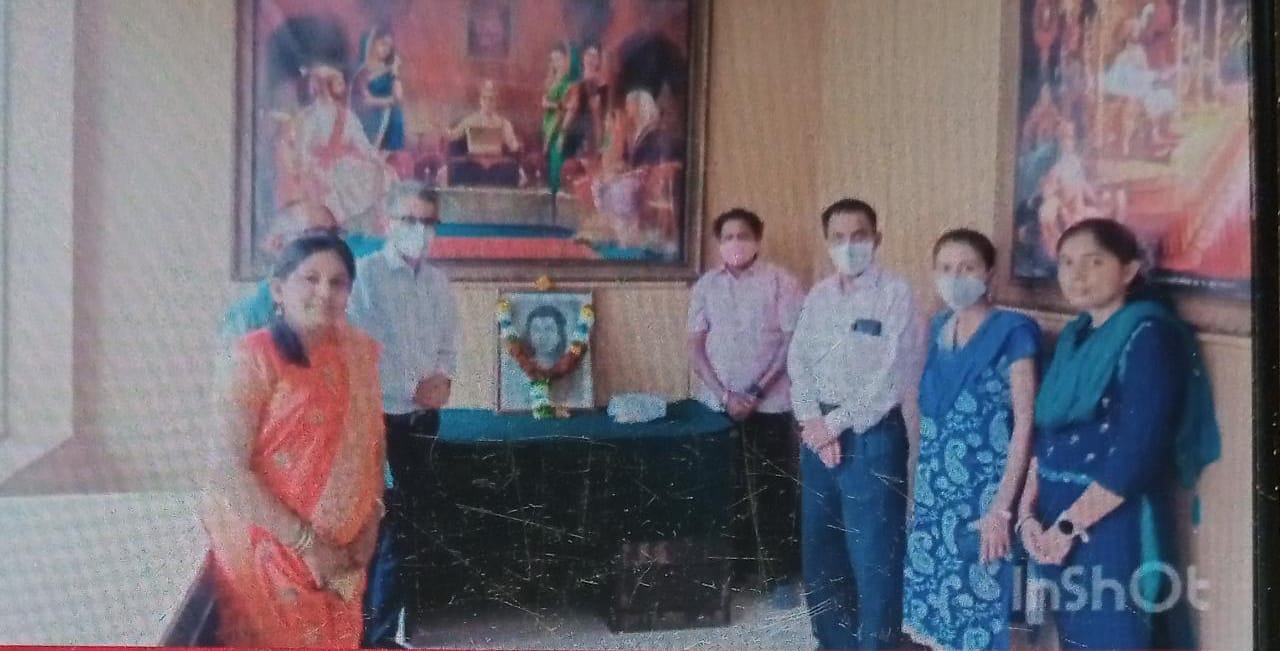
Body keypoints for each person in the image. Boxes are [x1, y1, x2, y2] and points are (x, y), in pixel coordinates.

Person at [1015, 218, 1220, 650]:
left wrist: (1066, 528)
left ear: (1129, 270)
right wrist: (1027, 515)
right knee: (1073, 638)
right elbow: (1045, 435)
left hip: (1112, 524)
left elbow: (1135, 455)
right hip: (1053, 514)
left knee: (1116, 636)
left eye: (1094, 262)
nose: (1077, 275)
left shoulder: (1148, 336)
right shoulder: (1074, 336)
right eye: (1067, 262)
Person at [202, 233, 386, 648]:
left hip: (344, 561)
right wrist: (307, 544)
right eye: (311, 279)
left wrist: (370, 526)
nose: (325, 292)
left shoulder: (359, 354)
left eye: (338, 282)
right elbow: (228, 470)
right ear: (278, 289)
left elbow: (374, 447)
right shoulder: (251, 358)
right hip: (272, 555)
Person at [787, 198, 924, 650]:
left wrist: (835, 424)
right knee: (821, 549)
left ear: (876, 238)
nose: (849, 246)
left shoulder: (896, 294)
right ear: (827, 243)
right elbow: (798, 362)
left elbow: (894, 374)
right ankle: (833, 643)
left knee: (874, 555)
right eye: (838, 238)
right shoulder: (820, 296)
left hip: (871, 434)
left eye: (859, 236)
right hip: (818, 433)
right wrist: (812, 420)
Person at [901, 229, 1041, 650]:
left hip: (986, 494)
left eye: (967, 267)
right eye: (946, 268)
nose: (955, 277)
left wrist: (1002, 509)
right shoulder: (938, 327)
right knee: (936, 604)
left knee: (984, 607)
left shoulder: (1014, 331)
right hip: (935, 493)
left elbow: (1025, 423)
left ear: (989, 273)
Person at [348, 183, 458, 646]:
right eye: (409, 219)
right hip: (381, 421)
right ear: (386, 222)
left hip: (423, 422)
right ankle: (369, 638)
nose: (419, 229)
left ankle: (387, 632)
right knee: (381, 531)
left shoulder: (438, 283)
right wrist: (412, 387)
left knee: (408, 531)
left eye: (428, 221)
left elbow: (448, 345)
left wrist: (444, 379)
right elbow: (364, 351)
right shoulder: (364, 276)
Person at [688, 208, 804, 605]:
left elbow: (791, 342)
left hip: (770, 404)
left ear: (757, 238)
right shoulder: (706, 285)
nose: (735, 243)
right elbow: (695, 347)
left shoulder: (781, 281)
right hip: (717, 405)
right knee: (727, 488)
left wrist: (755, 391)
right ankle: (733, 571)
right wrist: (725, 395)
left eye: (743, 235)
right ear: (718, 243)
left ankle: (779, 576)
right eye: (728, 237)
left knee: (774, 490)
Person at [297, 65, 394, 230]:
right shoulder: (309, 116)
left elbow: (362, 145)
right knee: (336, 183)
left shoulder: (346, 116)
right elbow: (304, 151)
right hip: (321, 170)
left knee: (377, 172)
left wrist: (378, 160)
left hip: (343, 165)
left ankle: (377, 221)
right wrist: (310, 169)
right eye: (338, 83)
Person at [354, 26, 406, 152]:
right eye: (383, 44)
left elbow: (398, 97)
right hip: (370, 121)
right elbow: (365, 102)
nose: (386, 49)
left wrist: (395, 72)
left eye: (389, 46)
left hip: (390, 121)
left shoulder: (390, 71)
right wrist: (389, 101)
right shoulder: (362, 72)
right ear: (372, 43)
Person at [525, 305, 569, 369]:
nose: (542, 336)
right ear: (529, 336)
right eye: (536, 329)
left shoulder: (568, 365)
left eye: (549, 329)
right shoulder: (522, 366)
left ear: (559, 336)